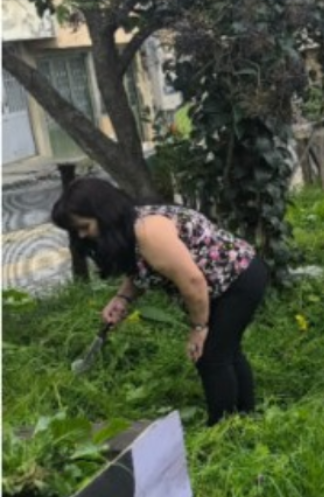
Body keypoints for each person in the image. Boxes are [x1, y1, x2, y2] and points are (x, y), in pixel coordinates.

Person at [52, 178, 268, 426]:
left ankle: (224, 429)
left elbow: (193, 281)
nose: (81, 234)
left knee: (210, 357)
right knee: (226, 350)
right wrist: (122, 298)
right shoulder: (129, 227)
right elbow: (142, 268)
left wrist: (199, 328)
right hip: (220, 284)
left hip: (238, 280)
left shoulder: (149, 232)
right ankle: (244, 418)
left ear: (104, 214)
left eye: (84, 226)